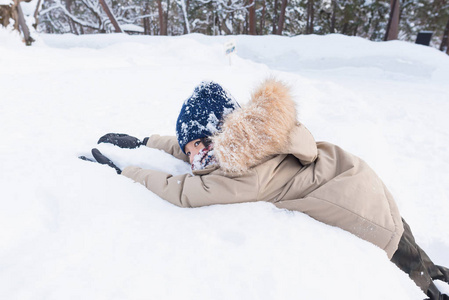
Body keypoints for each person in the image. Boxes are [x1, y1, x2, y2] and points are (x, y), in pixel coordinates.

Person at [88, 79, 449, 300]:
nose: (193, 155)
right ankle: (436, 272)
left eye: (199, 143)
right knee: (414, 251)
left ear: (220, 134)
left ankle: (432, 289)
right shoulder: (261, 134)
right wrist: (147, 141)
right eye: (188, 147)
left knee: (410, 275)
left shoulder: (240, 175)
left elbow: (181, 192)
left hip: (364, 217)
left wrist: (126, 170)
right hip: (360, 180)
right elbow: (192, 148)